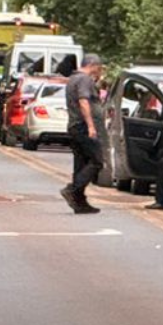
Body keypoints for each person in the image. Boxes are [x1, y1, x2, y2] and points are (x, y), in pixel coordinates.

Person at [61, 53, 106, 215]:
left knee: (80, 164)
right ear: (93, 65)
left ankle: (79, 202)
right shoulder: (84, 79)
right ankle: (72, 190)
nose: (99, 71)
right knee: (97, 160)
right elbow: (83, 101)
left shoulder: (73, 78)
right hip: (82, 126)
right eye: (99, 68)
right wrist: (91, 126)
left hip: (75, 126)